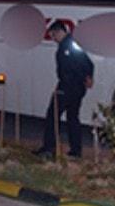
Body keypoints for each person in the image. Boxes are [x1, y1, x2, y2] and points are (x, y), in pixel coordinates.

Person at [37, 21, 94, 158]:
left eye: (53, 35)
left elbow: (82, 64)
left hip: (68, 86)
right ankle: (75, 150)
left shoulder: (68, 45)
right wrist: (88, 78)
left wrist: (86, 78)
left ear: (58, 31)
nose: (53, 39)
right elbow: (88, 63)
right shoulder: (72, 44)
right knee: (72, 117)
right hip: (76, 87)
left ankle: (49, 148)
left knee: (52, 115)